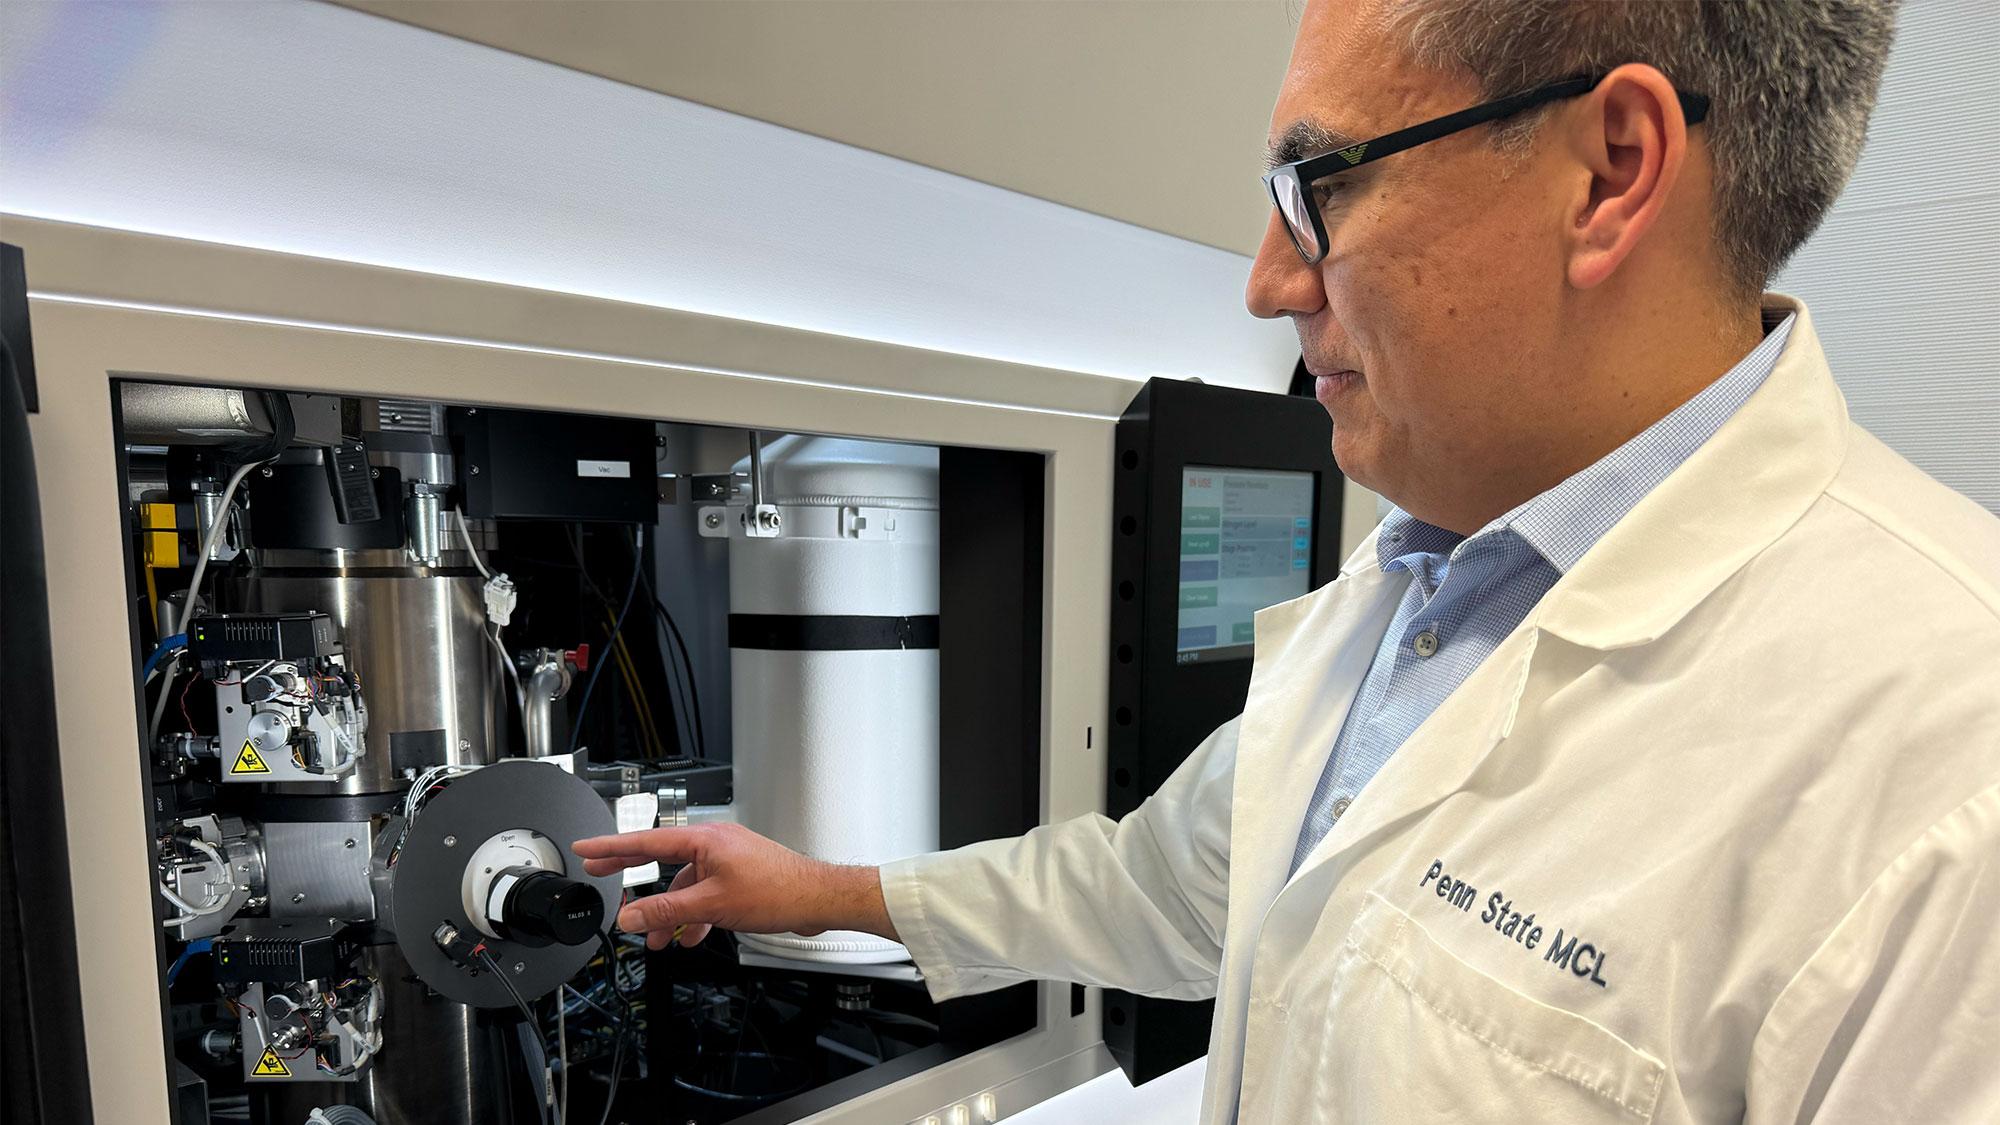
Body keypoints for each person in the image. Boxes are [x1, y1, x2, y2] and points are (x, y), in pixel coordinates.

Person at [576, 0, 2000, 1119]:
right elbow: (1159, 887)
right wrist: (815, 891)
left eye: (1318, 182)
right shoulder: (1416, 588)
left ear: (1609, 172)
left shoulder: (1946, 775)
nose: (1267, 280)